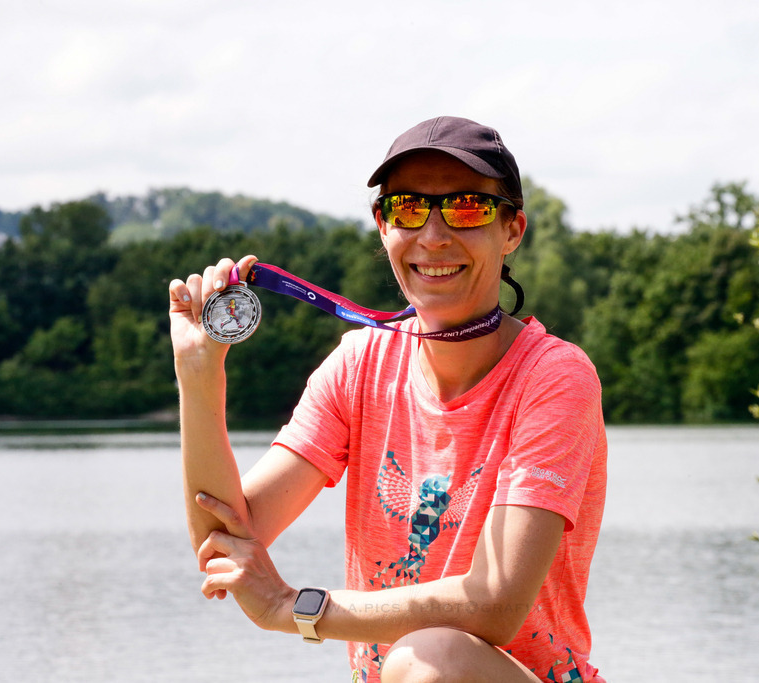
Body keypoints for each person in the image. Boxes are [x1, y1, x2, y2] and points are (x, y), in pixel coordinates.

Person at [168, 116, 608, 683]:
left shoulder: (554, 377)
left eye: (468, 207)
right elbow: (224, 539)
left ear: (513, 229)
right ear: (383, 226)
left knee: (431, 660)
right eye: (406, 208)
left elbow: (495, 604)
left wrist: (292, 607)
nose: (433, 235)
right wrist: (199, 375)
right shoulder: (360, 365)